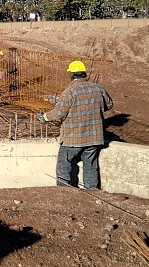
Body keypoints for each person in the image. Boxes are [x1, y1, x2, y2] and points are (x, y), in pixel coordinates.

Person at [37, 60, 114, 189]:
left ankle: (63, 191)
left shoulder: (70, 92)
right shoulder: (98, 88)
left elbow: (58, 113)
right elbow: (109, 104)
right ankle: (92, 191)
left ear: (72, 75)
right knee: (90, 166)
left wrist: (44, 117)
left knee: (64, 164)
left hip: (72, 139)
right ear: (84, 74)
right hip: (93, 139)